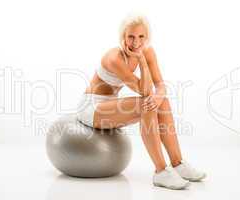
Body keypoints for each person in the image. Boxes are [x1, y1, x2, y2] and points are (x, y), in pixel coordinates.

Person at [76, 13, 206, 190]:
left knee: (162, 102)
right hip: (92, 107)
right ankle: (160, 171)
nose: (136, 42)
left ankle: (178, 164)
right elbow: (144, 91)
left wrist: (160, 95)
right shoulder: (115, 58)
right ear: (123, 36)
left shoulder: (148, 50)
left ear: (147, 37)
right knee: (148, 104)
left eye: (141, 36)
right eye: (130, 36)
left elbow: (160, 84)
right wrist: (141, 61)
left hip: (110, 104)